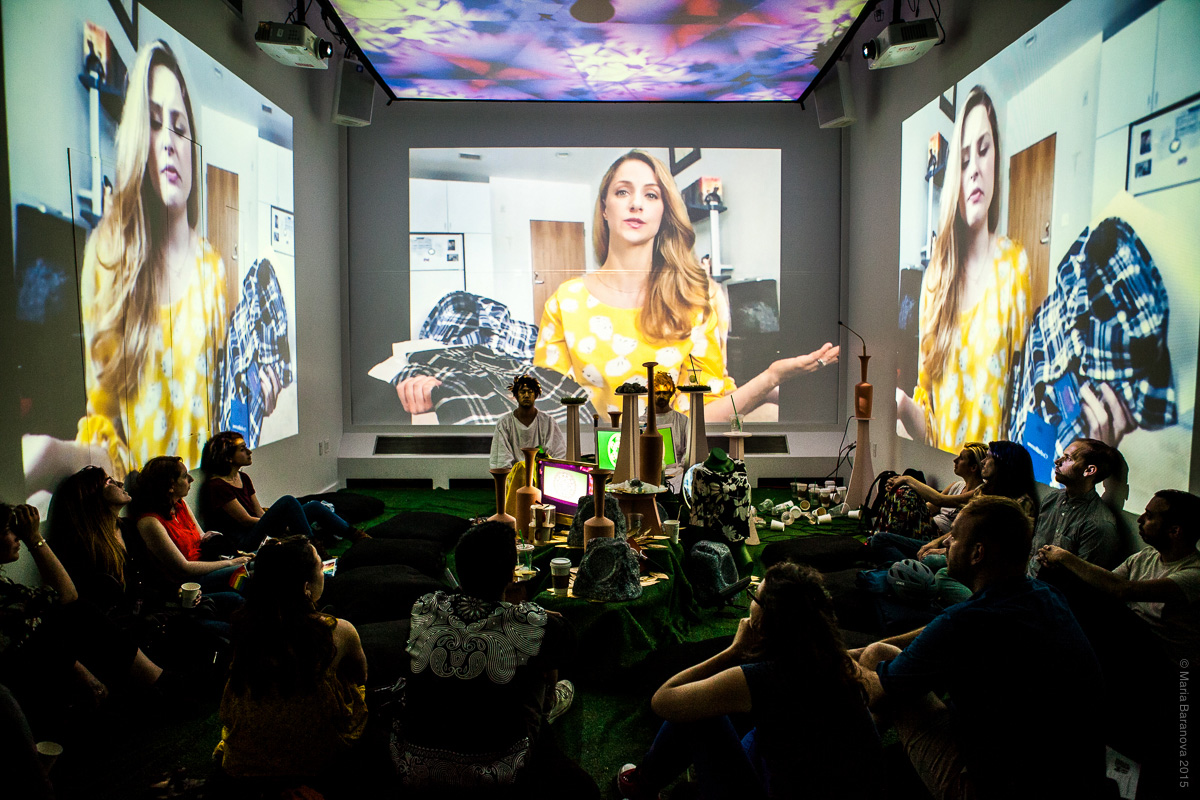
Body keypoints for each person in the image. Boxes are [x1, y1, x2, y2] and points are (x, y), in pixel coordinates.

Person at [531, 149, 838, 422]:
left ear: (664, 212)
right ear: (604, 208)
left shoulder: (692, 302)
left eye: (651, 195)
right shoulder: (564, 302)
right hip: (588, 469)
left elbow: (701, 418)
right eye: (623, 192)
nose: (636, 203)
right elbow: (546, 413)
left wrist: (770, 378)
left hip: (670, 469)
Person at [854, 496, 1107, 799]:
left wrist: (831, 653)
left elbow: (881, 690)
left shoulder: (967, 623)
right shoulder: (1044, 594)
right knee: (878, 651)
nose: (947, 543)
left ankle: (847, 769)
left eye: (955, 536)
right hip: (1076, 779)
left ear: (977, 553)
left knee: (876, 661)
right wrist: (862, 651)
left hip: (996, 787)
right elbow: (944, 628)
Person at [618, 561, 883, 799]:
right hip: (816, 782)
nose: (751, 603)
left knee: (701, 716)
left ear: (768, 618)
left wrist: (732, 653)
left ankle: (642, 784)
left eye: (754, 597)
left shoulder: (763, 678)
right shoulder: (836, 663)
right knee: (755, 728)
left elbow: (663, 700)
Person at [396, 521, 593, 797]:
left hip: (414, 765)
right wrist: (534, 615)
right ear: (513, 575)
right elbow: (568, 645)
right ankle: (548, 710)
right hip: (498, 771)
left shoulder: (425, 607)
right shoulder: (527, 624)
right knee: (539, 657)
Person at [896, 86, 1032, 451]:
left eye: (983, 151)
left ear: (996, 162)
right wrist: (899, 406)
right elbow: (930, 426)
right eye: (964, 158)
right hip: (943, 480)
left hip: (994, 494)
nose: (974, 171)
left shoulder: (1014, 265)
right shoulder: (934, 280)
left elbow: (1023, 399)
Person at [1, 503, 177, 728]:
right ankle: (158, 683)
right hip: (23, 677)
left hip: (43, 659)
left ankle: (149, 686)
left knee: (91, 602)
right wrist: (34, 538)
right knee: (80, 612)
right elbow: (66, 598)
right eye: (8, 530)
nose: (17, 535)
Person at [214, 535, 368, 786]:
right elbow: (361, 677)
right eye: (320, 565)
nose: (324, 569)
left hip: (244, 762)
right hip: (316, 761)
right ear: (306, 587)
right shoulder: (339, 632)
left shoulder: (244, 630)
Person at [199, 431, 365, 551]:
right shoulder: (217, 486)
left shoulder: (243, 478)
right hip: (243, 541)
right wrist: (279, 524)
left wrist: (279, 524)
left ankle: (359, 537)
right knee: (288, 502)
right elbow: (245, 520)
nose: (249, 452)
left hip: (257, 530)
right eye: (242, 449)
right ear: (228, 457)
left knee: (313, 506)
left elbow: (258, 513)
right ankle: (314, 550)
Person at [129, 456, 251, 596]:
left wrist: (230, 556)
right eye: (185, 476)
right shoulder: (150, 522)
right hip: (189, 582)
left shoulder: (180, 505)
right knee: (253, 568)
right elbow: (183, 568)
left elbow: (202, 537)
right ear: (170, 486)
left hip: (207, 564)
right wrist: (232, 563)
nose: (191, 479)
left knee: (262, 559)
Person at [908, 440, 1039, 567]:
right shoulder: (983, 491)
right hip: (956, 546)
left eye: (988, 458)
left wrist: (943, 550)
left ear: (1002, 464)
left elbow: (995, 545)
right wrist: (937, 543)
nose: (983, 462)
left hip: (982, 561)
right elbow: (965, 525)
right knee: (888, 541)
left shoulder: (1022, 503)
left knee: (926, 561)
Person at [867, 442, 987, 564]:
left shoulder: (979, 493)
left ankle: (908, 565)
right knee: (902, 494)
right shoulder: (956, 486)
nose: (955, 460)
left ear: (973, 467)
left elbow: (939, 499)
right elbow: (928, 508)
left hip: (938, 538)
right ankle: (901, 558)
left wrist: (907, 479)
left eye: (961, 458)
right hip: (925, 530)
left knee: (906, 493)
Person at [1026, 438, 1120, 577]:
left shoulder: (1099, 523)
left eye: (1068, 458)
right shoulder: (1052, 499)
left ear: (1089, 470)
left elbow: (1086, 581)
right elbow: (1033, 550)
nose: (1057, 461)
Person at [488, 375, 567, 470]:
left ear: (536, 395)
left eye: (530, 392)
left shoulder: (548, 421)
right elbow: (501, 457)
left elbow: (558, 453)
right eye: (522, 392)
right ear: (516, 396)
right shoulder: (504, 423)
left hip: (541, 476)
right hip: (514, 477)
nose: (526, 395)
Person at [639, 370, 688, 464]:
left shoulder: (683, 421)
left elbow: (688, 453)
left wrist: (681, 470)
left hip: (676, 473)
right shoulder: (641, 422)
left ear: (671, 393)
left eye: (665, 393)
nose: (661, 396)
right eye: (658, 393)